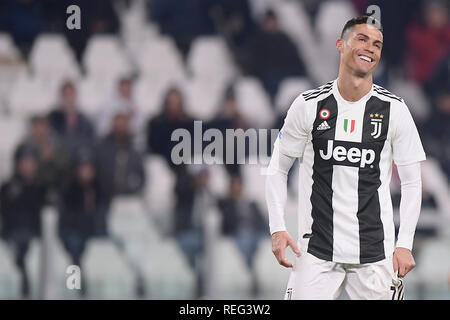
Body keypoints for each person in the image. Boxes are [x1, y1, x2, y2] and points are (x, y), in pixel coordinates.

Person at [265, 16, 426, 300]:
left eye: (377, 44)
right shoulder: (308, 106)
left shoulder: (395, 111)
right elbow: (277, 168)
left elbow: (413, 183)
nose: (371, 48)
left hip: (376, 255)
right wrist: (277, 228)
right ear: (341, 44)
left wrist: (405, 244)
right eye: (362, 39)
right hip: (316, 252)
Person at [0, 147, 46, 297]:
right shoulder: (8, 188)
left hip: (35, 239)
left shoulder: (41, 188)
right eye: (24, 161)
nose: (27, 165)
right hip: (11, 237)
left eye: (30, 162)